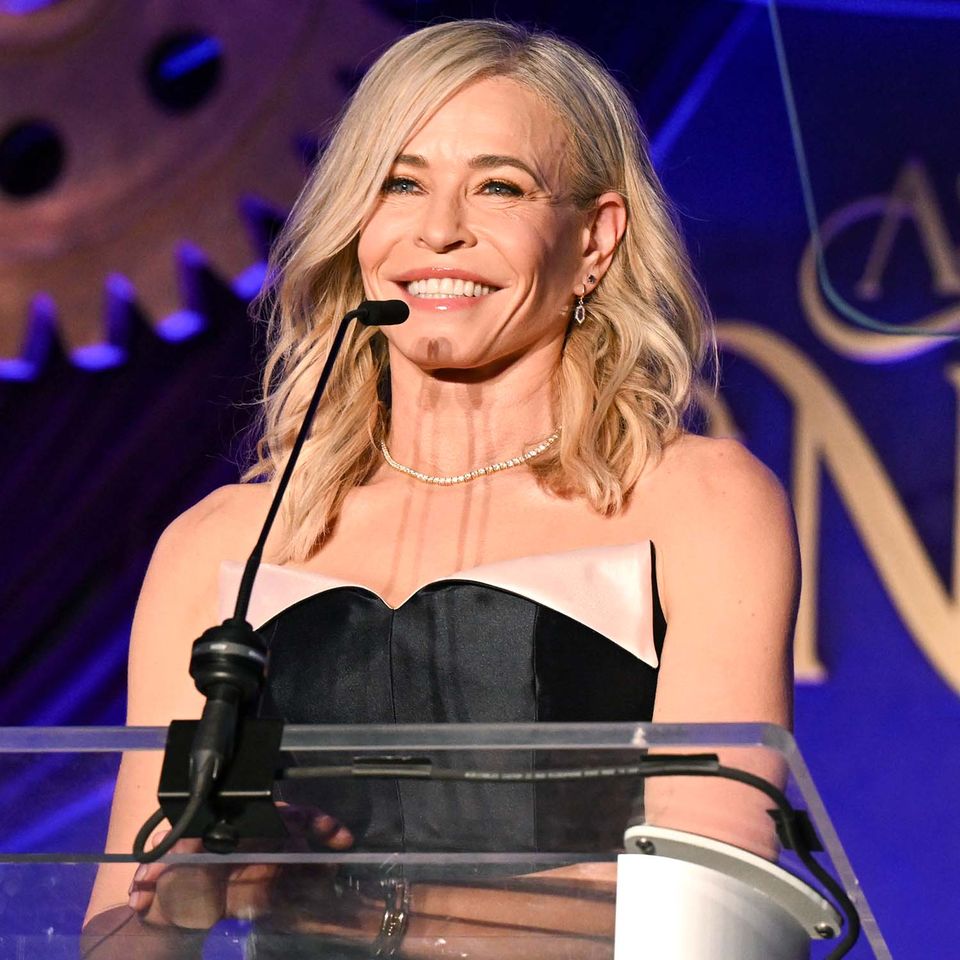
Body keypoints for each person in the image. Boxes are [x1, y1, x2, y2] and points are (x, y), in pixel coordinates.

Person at [81, 17, 797, 959]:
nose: (440, 229)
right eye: (400, 183)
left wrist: (348, 898)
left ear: (594, 238)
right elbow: (114, 932)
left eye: (499, 186)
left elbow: (718, 907)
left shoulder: (696, 504)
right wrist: (188, 898)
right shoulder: (222, 545)